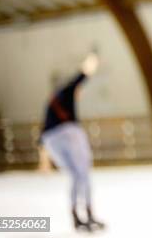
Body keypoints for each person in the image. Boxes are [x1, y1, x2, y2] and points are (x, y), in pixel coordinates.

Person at [40, 52, 105, 232]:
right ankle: (89, 213)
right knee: (83, 173)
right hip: (69, 133)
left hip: (52, 141)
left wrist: (44, 162)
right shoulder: (67, 90)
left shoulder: (51, 101)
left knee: (76, 176)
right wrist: (93, 60)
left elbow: (42, 135)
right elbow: (81, 75)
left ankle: (76, 216)